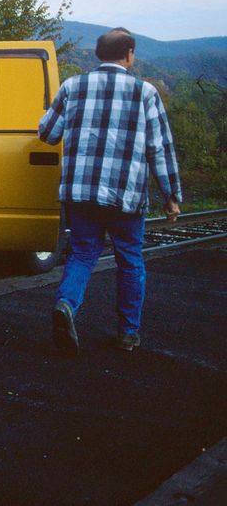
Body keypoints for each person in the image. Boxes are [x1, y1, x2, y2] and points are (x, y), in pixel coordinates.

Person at [38, 28, 182, 356]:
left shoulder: (72, 87)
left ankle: (66, 304)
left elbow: (47, 133)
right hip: (126, 196)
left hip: (81, 192)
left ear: (97, 55)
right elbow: (159, 149)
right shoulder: (145, 92)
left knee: (83, 253)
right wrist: (170, 195)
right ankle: (128, 333)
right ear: (129, 54)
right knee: (130, 259)